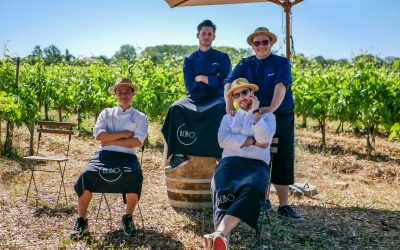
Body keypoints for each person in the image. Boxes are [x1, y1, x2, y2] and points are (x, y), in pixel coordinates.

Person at [223, 27, 303, 221]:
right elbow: (229, 82)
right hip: (255, 116)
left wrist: (272, 108)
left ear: (271, 43)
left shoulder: (281, 62)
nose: (260, 46)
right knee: (258, 153)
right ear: (252, 45)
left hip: (281, 115)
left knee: (282, 156)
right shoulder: (245, 63)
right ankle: (263, 199)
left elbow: (281, 85)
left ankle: (284, 205)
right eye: (256, 43)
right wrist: (228, 103)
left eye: (264, 42)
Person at [203, 78, 276, 250]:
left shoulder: (267, 116)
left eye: (245, 92)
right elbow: (222, 140)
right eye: (237, 94)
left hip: (256, 166)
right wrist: (251, 141)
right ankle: (222, 238)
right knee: (222, 188)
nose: (242, 97)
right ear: (234, 99)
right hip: (229, 164)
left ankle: (220, 235)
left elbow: (264, 139)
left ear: (252, 93)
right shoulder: (228, 119)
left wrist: (256, 112)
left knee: (251, 190)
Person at [70, 78, 148, 238]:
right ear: (115, 94)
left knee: (135, 175)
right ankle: (81, 221)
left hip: (128, 157)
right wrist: (125, 134)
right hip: (103, 156)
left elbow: (138, 141)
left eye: (127, 91)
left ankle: (128, 218)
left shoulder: (140, 117)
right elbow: (99, 136)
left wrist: (109, 139)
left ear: (133, 93)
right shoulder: (106, 113)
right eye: (120, 92)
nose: (123, 95)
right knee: (86, 175)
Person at [162, 20, 231, 169]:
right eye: (203, 33)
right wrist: (213, 78)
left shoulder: (223, 57)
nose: (206, 36)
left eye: (209, 34)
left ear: (214, 37)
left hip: (216, 98)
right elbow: (190, 86)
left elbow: (224, 82)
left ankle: (220, 153)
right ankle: (179, 154)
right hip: (195, 98)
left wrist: (202, 78)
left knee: (222, 106)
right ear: (197, 35)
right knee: (175, 108)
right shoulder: (189, 59)